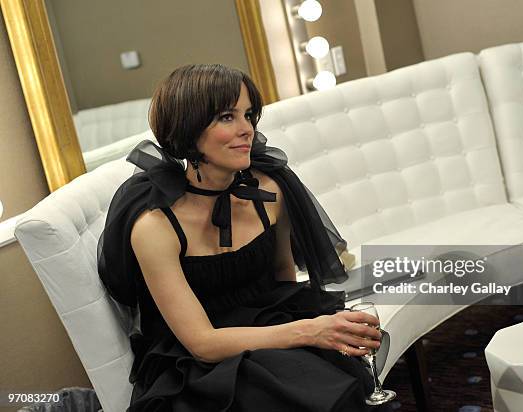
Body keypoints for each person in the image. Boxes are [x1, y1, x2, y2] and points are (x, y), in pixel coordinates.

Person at [98, 64, 392, 411]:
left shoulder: (268, 191)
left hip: (268, 323)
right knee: (311, 395)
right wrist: (309, 332)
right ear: (188, 128)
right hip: (202, 362)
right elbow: (202, 343)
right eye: (226, 117)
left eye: (249, 115)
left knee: (340, 376)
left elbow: (283, 281)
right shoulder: (155, 225)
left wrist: (310, 330)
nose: (246, 130)